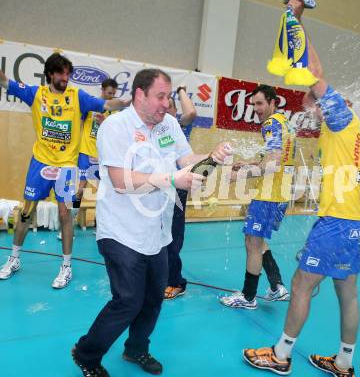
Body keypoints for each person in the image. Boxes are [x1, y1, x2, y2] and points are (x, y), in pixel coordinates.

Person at [72, 68, 231, 377]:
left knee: (154, 297)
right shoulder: (115, 128)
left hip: (156, 232)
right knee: (128, 300)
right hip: (119, 230)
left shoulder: (168, 124)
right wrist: (172, 178)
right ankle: (86, 353)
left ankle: (136, 349)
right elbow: (120, 180)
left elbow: (186, 160)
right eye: (160, 97)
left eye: (168, 97)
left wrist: (212, 157)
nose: (165, 104)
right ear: (140, 95)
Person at [243, 0, 360, 377]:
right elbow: (313, 83)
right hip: (356, 220)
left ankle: (280, 355)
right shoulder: (349, 131)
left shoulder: (340, 118)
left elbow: (314, 76)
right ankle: (344, 362)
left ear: (328, 106)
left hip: (339, 221)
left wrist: (296, 15)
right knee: (346, 290)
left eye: (309, 102)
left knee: (300, 285)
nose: (305, 106)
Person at [0, 53, 128, 289]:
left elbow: (109, 104)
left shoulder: (77, 96)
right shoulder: (36, 94)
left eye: (68, 74)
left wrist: (132, 101)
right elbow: (6, 82)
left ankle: (66, 267)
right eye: (61, 73)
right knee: (27, 212)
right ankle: (14, 258)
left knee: (65, 214)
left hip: (67, 166)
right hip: (40, 162)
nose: (65, 78)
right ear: (50, 73)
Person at [219, 84, 294, 310]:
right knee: (257, 241)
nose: (256, 109)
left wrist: (238, 175)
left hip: (268, 195)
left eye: (260, 103)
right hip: (280, 193)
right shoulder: (285, 123)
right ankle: (276, 286)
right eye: (253, 105)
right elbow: (276, 158)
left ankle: (249, 297)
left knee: (253, 243)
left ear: (273, 102)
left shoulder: (270, 125)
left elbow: (271, 165)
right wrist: (251, 163)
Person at [57, 78, 119, 241]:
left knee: (105, 191)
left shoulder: (116, 113)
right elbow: (78, 123)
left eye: (113, 94)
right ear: (102, 90)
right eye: (108, 93)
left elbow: (117, 136)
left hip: (103, 156)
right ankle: (68, 225)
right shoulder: (90, 106)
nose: (111, 96)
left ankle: (102, 227)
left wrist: (105, 123)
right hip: (85, 152)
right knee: (80, 188)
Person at [164, 86, 197, 300]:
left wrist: (182, 90)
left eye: (170, 109)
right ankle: (161, 276)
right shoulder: (157, 129)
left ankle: (176, 282)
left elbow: (192, 113)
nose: (166, 112)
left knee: (173, 236)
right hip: (159, 187)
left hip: (178, 189)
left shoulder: (178, 126)